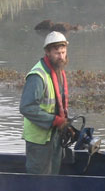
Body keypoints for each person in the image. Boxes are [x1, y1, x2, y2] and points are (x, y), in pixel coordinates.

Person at [21, 30, 73, 174]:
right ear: (47, 52)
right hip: (39, 140)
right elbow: (27, 107)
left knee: (53, 178)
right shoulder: (37, 76)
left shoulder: (58, 71)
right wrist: (55, 121)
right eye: (57, 53)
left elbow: (58, 105)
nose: (61, 57)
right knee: (39, 179)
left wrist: (66, 124)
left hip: (54, 137)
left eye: (63, 52)